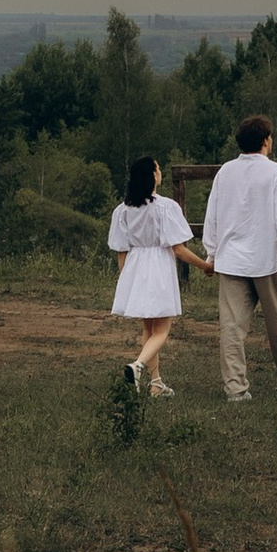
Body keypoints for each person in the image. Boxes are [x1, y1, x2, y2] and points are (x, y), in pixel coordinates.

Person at [200, 114, 277, 403]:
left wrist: (211, 252)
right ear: (266, 141)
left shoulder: (224, 172)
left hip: (230, 260)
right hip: (267, 259)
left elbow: (211, 216)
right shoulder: (276, 173)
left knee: (231, 328)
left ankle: (236, 389)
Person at [106, 153, 204, 394]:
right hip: (158, 267)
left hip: (135, 267)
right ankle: (138, 365)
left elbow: (121, 251)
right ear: (153, 176)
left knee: (148, 329)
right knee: (161, 330)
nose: (160, 172)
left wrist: (126, 280)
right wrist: (206, 266)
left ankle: (156, 384)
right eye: (158, 169)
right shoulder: (165, 207)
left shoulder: (123, 210)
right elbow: (178, 249)